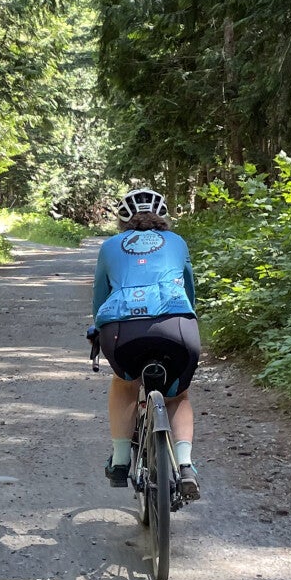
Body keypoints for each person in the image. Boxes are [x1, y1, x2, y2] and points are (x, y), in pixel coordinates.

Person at [86, 187, 202, 501]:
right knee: (177, 396)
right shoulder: (177, 242)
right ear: (164, 216)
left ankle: (121, 460)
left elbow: (100, 298)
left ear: (122, 221)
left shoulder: (110, 246)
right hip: (177, 327)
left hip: (122, 331)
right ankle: (186, 465)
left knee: (125, 385)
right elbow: (189, 292)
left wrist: (97, 328)